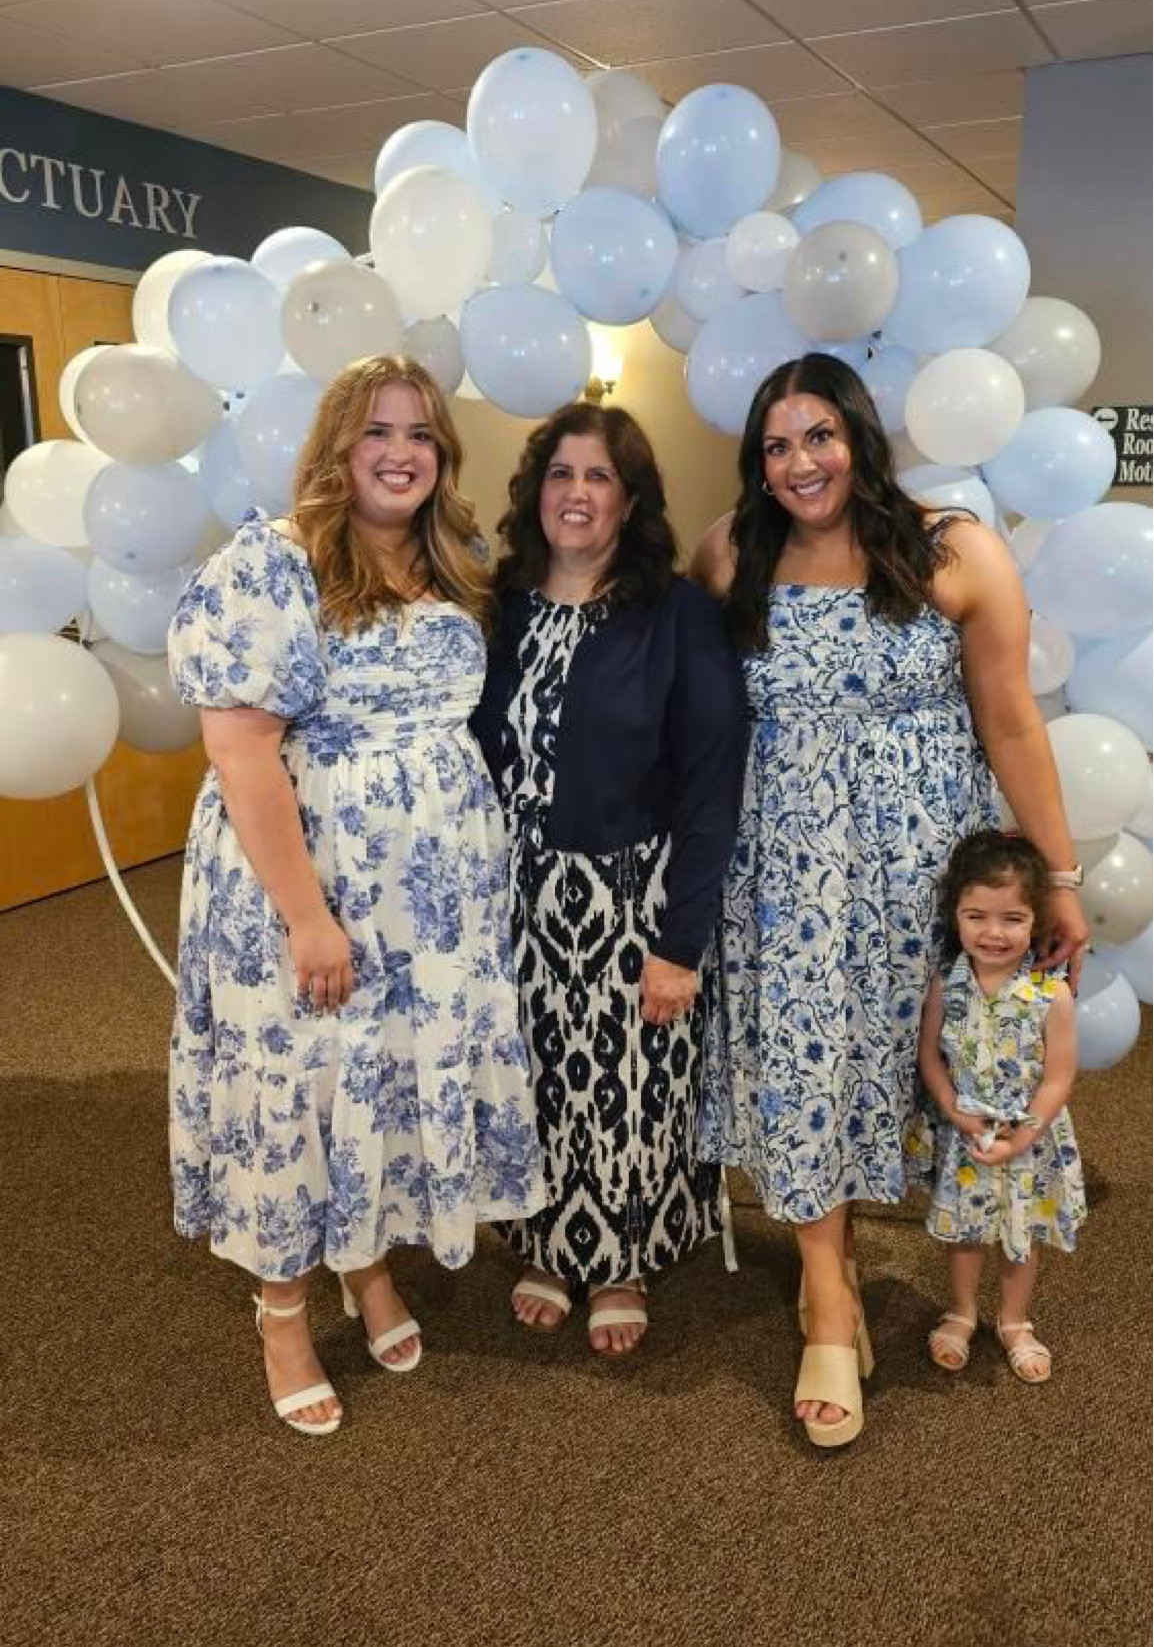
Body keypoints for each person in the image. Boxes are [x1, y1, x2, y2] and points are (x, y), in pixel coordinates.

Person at [691, 352, 1087, 1447]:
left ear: (858, 434)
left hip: (919, 872)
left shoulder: (948, 545)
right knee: (805, 1062)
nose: (797, 461)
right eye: (774, 444)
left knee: (906, 1061)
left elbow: (1008, 720)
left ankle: (916, 1266)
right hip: (780, 871)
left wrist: (1053, 875)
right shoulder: (731, 551)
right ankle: (829, 1292)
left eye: (816, 434)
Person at [168, 354, 544, 1436]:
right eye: (376, 431)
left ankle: (366, 1261)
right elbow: (242, 754)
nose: (399, 452)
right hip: (308, 875)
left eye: (421, 434)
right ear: (336, 446)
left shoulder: (451, 561)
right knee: (302, 1073)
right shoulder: (271, 565)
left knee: (375, 1076)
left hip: (428, 896)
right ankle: (282, 1305)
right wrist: (304, 915)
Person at [472, 401, 747, 1355]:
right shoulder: (495, 603)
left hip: (634, 890)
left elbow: (713, 782)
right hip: (515, 893)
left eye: (599, 477)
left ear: (631, 502)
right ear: (534, 493)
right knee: (536, 1073)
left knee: (631, 1082)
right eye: (560, 474)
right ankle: (549, 1244)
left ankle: (622, 1257)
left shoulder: (675, 614)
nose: (577, 494)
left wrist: (681, 941)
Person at [914, 830, 1085, 1385]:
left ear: (1036, 919)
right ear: (956, 916)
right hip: (968, 1131)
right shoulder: (948, 982)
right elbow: (930, 1055)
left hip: (1029, 1139)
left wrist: (1024, 1135)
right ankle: (961, 1311)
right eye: (976, 916)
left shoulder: (1050, 991)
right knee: (966, 1232)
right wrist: (952, 1109)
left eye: (1012, 918)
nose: (993, 932)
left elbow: (1060, 1075)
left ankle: (1014, 1320)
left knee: (1021, 1233)